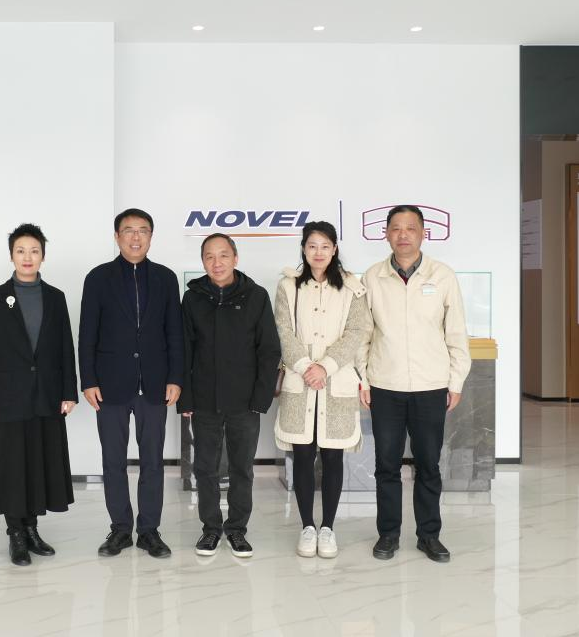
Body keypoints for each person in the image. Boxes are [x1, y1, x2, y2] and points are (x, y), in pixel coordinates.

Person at [360, 205, 470, 563]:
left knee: (429, 465)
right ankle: (388, 534)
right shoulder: (373, 277)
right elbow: (362, 334)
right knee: (386, 466)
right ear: (386, 234)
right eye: (396, 228)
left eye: (410, 228)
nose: (403, 234)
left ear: (423, 233)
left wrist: (455, 381)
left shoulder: (442, 276)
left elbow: (456, 333)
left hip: (430, 386)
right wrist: (364, 378)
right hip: (385, 385)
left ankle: (429, 535)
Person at [79, 207, 183, 559]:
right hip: (110, 385)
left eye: (143, 230)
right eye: (128, 230)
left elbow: (174, 332)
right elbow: (87, 333)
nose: (136, 237)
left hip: (155, 384)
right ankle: (120, 529)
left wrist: (175, 377)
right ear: (117, 236)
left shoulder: (166, 278)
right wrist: (88, 380)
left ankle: (149, 530)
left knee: (153, 460)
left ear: (151, 236)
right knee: (113, 460)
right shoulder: (98, 278)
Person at [0, 224, 77, 567]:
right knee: (12, 465)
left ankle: (32, 529)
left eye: (34, 251)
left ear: (43, 255)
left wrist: (69, 392)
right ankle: (15, 533)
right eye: (21, 251)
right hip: (7, 397)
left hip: (46, 395)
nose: (27, 257)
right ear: (11, 256)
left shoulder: (56, 297)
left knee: (38, 462)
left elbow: (65, 348)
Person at [273, 220, 372, 559]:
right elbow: (283, 330)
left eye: (325, 246)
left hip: (336, 380)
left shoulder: (352, 287)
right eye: (312, 245)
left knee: (332, 456)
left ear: (334, 249)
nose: (318, 252)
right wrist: (305, 367)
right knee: (302, 454)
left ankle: (327, 527)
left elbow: (356, 332)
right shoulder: (288, 286)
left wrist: (325, 367)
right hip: (300, 380)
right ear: (303, 248)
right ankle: (307, 526)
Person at [179, 233, 280, 558]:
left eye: (223, 255)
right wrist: (186, 399)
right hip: (204, 400)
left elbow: (269, 350)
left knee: (241, 468)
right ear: (203, 262)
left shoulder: (256, 296)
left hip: (244, 401)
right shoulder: (192, 299)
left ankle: (237, 530)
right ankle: (210, 529)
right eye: (209, 256)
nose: (217, 262)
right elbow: (183, 350)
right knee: (205, 468)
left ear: (235, 258)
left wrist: (260, 398)